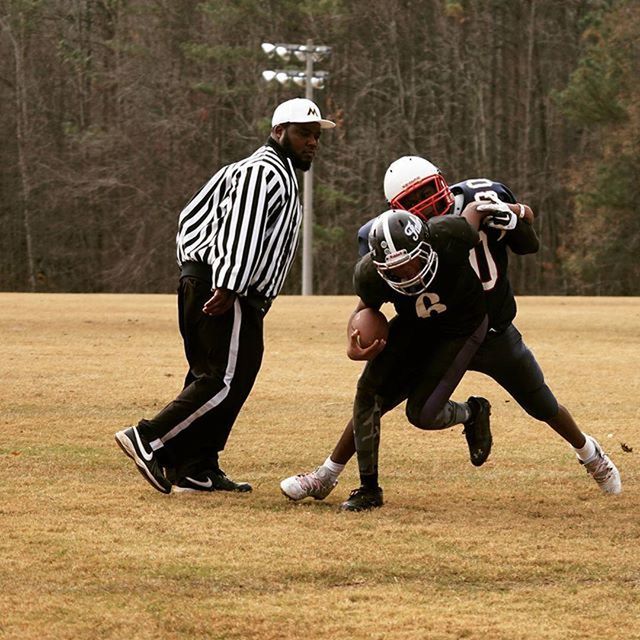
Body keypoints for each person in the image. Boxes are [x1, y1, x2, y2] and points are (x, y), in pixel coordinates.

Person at [280, 155, 621, 509]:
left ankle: (590, 453)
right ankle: (328, 474)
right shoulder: (387, 236)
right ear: (395, 209)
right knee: (374, 396)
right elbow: (368, 302)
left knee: (541, 402)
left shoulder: (473, 206)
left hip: (491, 328)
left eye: (428, 191)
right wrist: (355, 340)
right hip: (428, 332)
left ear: (442, 182)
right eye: (413, 200)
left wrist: (516, 213)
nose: (425, 204)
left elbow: (528, 241)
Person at [115, 98, 335, 494]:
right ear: (278, 131)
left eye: (316, 135)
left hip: (217, 283)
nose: (312, 142)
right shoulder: (264, 170)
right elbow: (242, 228)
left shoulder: (262, 171)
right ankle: (147, 438)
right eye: (304, 133)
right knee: (223, 380)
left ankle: (194, 468)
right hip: (228, 288)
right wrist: (229, 282)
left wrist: (196, 272)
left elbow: (189, 216)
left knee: (218, 377)